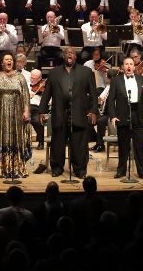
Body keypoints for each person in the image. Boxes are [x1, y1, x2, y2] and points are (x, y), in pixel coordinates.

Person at [38, 47, 98, 178]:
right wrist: (42, 110)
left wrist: (94, 110)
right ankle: (57, 168)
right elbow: (47, 93)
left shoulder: (86, 72)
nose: (69, 54)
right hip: (60, 113)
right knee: (58, 143)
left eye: (72, 53)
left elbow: (93, 94)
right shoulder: (54, 72)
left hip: (79, 113)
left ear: (75, 56)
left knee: (79, 144)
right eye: (67, 53)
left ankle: (80, 169)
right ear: (63, 56)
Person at [0, 51, 31, 179]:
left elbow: (26, 95)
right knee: (0, 137)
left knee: (16, 138)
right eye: (6, 59)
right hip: (0, 113)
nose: (9, 61)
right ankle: (1, 167)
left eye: (11, 59)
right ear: (1, 62)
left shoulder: (20, 77)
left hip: (17, 112)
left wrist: (26, 111)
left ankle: (16, 167)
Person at [107, 56, 143, 180]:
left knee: (140, 146)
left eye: (131, 64)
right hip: (122, 115)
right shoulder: (116, 80)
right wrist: (113, 116)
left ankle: (142, 172)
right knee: (123, 146)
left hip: (138, 115)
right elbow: (111, 100)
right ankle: (121, 171)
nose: (129, 66)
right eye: (126, 64)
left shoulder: (141, 79)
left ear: (134, 66)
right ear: (123, 67)